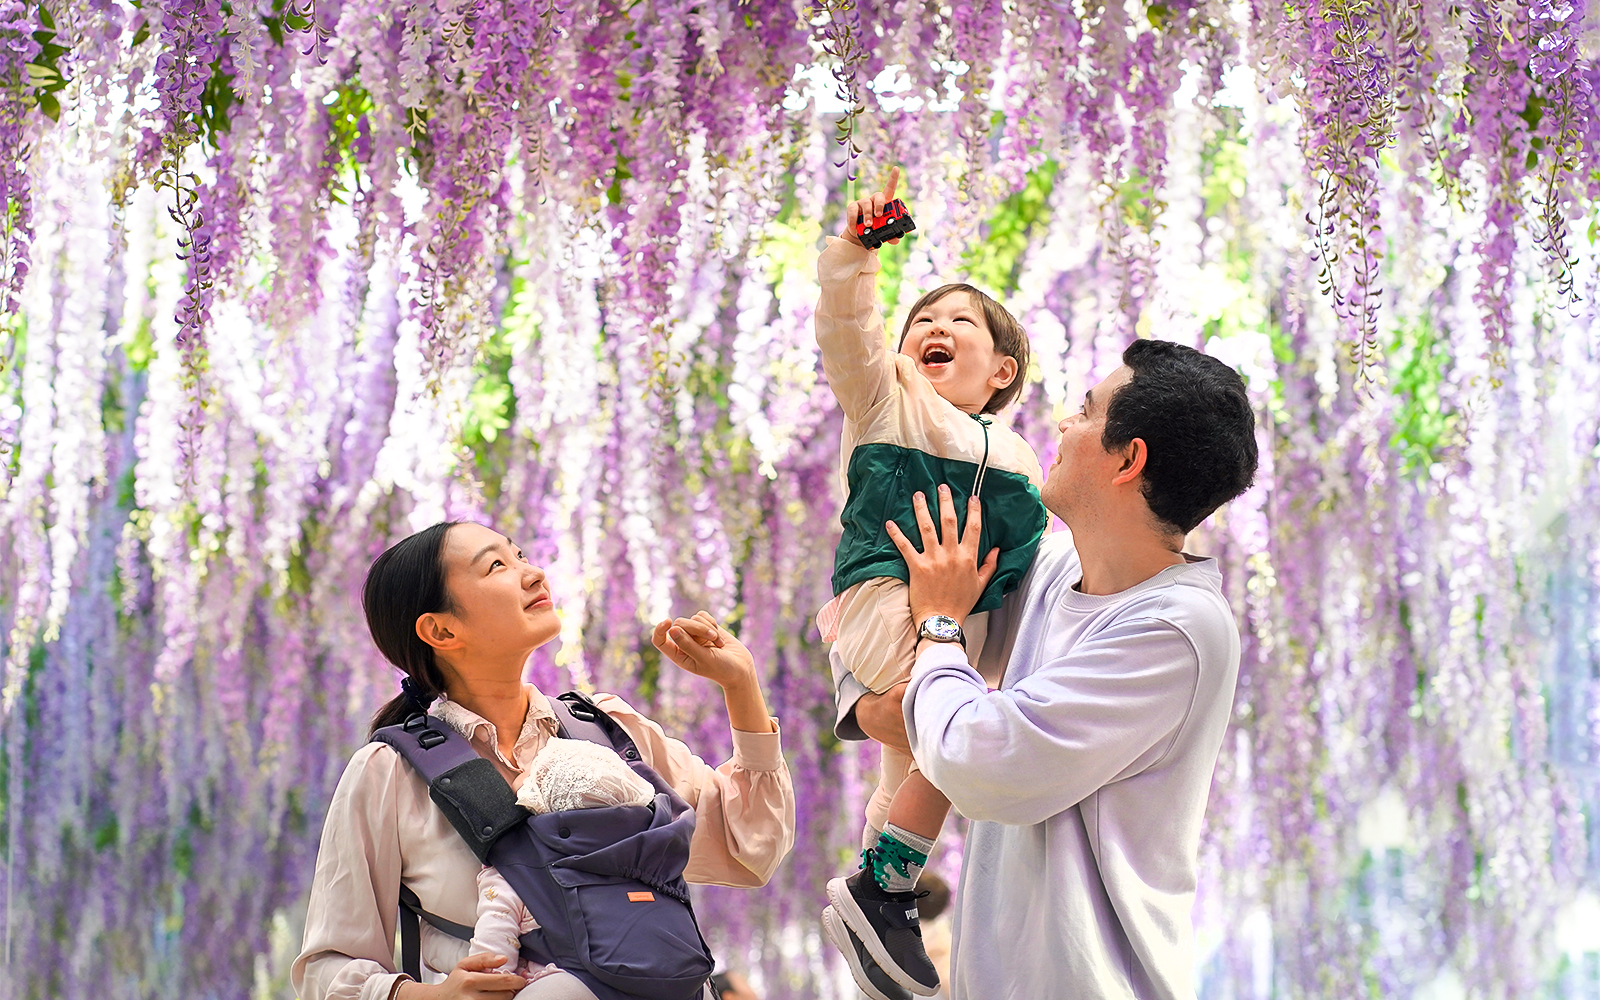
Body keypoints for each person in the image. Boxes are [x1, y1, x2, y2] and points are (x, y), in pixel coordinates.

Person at [847, 338, 1258, 999]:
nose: (1063, 425)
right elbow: (910, 676)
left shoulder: (1179, 629)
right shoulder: (1056, 569)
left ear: (1129, 459)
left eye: (1086, 412)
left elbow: (976, 758)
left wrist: (940, 627)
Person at [291, 521, 797, 1000]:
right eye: (496, 567)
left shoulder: (604, 727)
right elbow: (327, 968)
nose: (533, 573)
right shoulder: (389, 773)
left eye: (520, 555)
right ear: (441, 633)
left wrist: (741, 687)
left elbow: (748, 847)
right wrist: (430, 995)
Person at [813, 166, 1048, 999]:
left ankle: (888, 891)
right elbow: (849, 332)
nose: (934, 327)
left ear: (1004, 373)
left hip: (967, 623)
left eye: (960, 322)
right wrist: (853, 255)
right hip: (884, 591)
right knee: (951, 731)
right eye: (924, 321)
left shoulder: (1023, 456)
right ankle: (883, 889)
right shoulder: (888, 401)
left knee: (918, 763)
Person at [469, 738, 659, 986]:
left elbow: (491, 961)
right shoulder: (638, 860)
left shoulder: (514, 871)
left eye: (533, 769)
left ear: (540, 799)